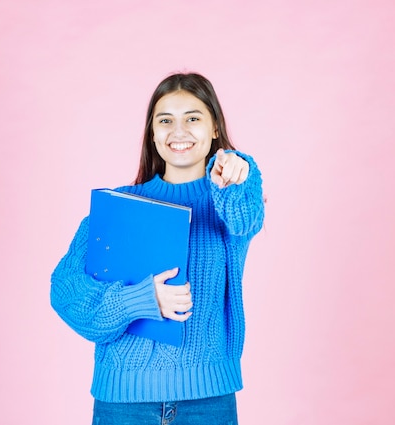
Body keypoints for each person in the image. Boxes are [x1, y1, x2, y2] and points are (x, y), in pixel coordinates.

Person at [50, 72, 265, 424]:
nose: (178, 131)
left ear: (214, 128)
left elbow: (246, 215)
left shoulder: (228, 202)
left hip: (207, 403)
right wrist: (141, 299)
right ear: (153, 133)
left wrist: (241, 172)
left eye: (193, 118)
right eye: (165, 121)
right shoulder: (118, 207)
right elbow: (65, 292)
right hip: (124, 405)